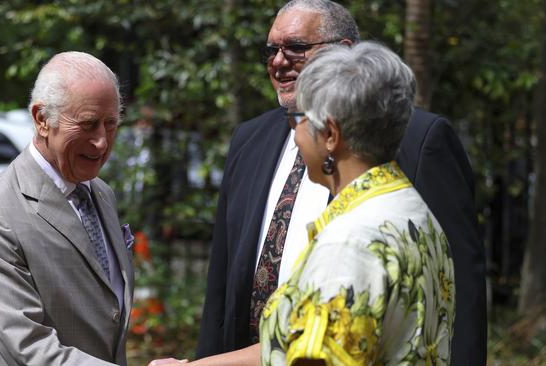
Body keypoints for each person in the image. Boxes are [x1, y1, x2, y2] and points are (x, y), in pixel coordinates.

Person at [196, 1, 486, 365]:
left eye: (296, 48)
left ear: (330, 133)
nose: (279, 61)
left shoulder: (348, 238)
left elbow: (463, 296)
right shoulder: (402, 204)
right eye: (271, 50)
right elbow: (223, 287)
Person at [0, 51, 134, 366]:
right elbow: (30, 348)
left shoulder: (100, 192)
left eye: (110, 124)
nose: (102, 142)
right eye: (89, 124)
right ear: (42, 120)